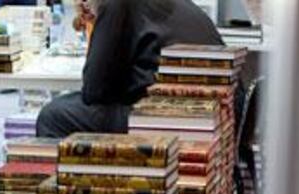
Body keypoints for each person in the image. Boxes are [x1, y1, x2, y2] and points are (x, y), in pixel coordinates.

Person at [36, 0, 225, 138]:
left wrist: (97, 21)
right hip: (217, 115)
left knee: (53, 116)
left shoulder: (115, 4)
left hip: (177, 119)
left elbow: (93, 91)